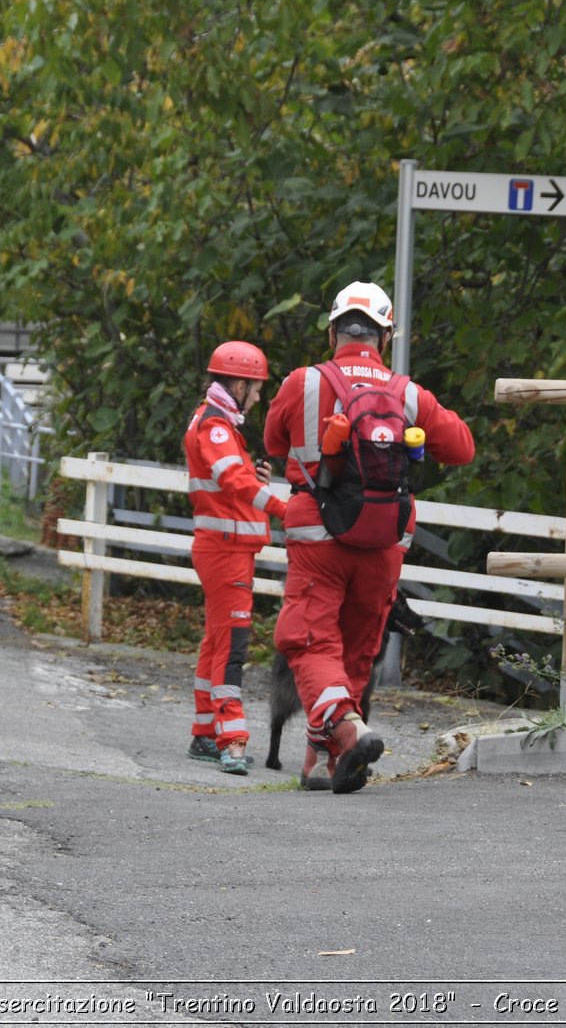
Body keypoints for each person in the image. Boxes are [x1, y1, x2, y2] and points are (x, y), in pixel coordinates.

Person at [263, 281, 474, 793]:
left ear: (333, 330)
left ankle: (349, 729)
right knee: (358, 648)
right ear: (385, 336)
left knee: (311, 641)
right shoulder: (407, 393)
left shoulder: (302, 382)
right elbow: (462, 448)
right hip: (385, 539)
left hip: (318, 534)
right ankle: (325, 762)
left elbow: (272, 442)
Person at [184, 341, 288, 775]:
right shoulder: (217, 428)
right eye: (257, 388)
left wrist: (256, 476)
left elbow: (235, 478)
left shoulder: (217, 424)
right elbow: (232, 481)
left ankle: (205, 734)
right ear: (240, 384)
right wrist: (287, 511)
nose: (259, 396)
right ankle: (231, 740)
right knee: (231, 647)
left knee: (216, 643)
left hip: (225, 549)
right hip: (225, 552)